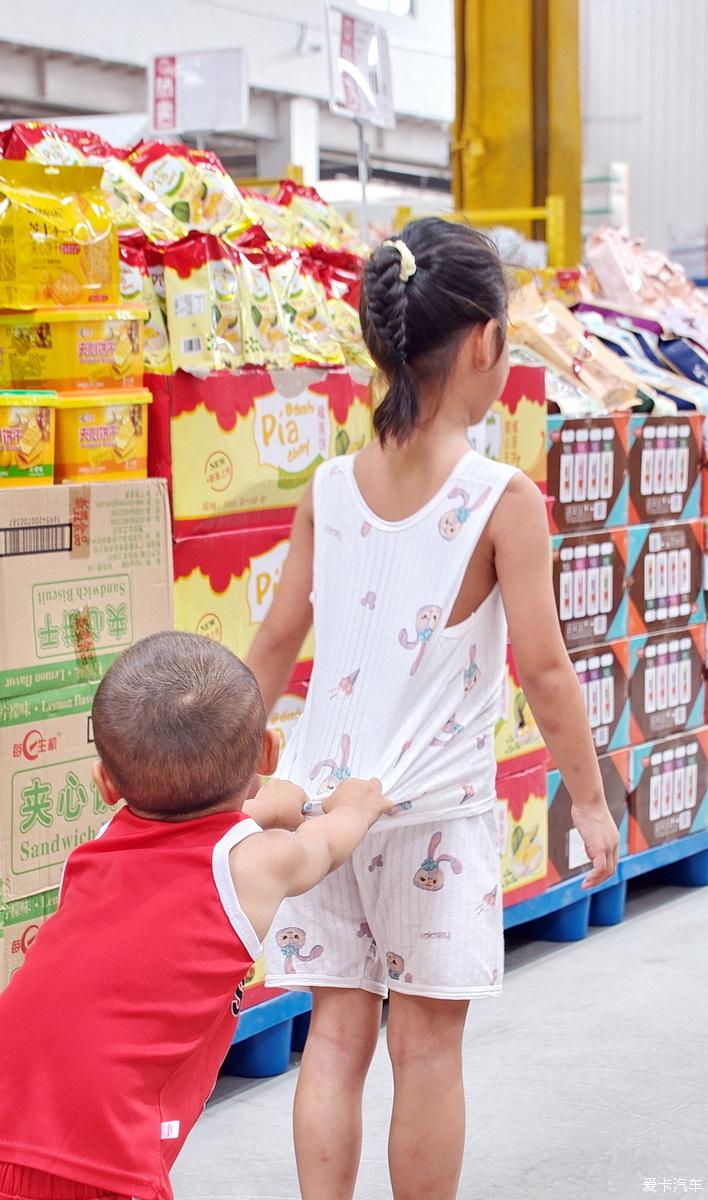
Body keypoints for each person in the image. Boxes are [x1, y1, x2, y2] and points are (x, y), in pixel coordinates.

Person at [246, 218, 620, 1200]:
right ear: (488, 344)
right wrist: (587, 801)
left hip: (323, 807)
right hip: (432, 817)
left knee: (331, 1037)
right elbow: (543, 670)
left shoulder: (330, 484)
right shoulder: (500, 496)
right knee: (424, 1052)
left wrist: (231, 767)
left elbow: (278, 637)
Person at [0, 631, 389, 1200]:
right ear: (269, 752)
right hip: (100, 1149)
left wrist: (260, 805)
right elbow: (325, 845)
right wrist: (357, 805)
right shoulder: (259, 863)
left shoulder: (100, 845)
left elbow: (189, 831)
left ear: (106, 783)